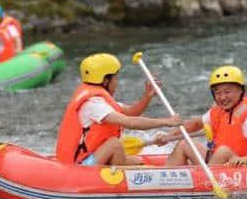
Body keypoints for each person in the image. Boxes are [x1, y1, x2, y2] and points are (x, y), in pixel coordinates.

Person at [55, 53, 183, 166]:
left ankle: (125, 165)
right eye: (115, 78)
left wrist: (147, 96)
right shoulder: (94, 104)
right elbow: (130, 122)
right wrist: (167, 122)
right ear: (105, 80)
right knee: (114, 144)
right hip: (82, 166)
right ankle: (125, 167)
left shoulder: (97, 98)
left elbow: (131, 113)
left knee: (117, 146)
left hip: (88, 158)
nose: (117, 82)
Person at [157, 65, 247, 166]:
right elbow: (196, 124)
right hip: (217, 163)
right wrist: (168, 136)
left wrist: (244, 160)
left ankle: (204, 183)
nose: (222, 97)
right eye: (217, 93)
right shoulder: (218, 111)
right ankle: (165, 183)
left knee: (223, 151)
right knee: (185, 144)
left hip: (240, 167)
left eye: (227, 92)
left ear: (241, 91)